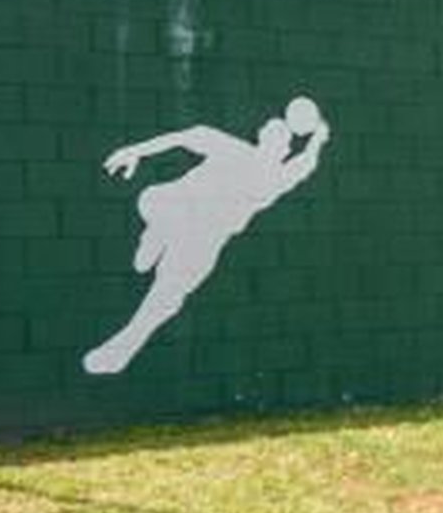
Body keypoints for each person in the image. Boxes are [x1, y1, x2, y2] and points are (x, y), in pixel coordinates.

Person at [84, 96, 330, 374]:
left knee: (165, 299)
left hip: (204, 240)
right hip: (173, 204)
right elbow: (185, 137)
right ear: (261, 136)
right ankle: (158, 234)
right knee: (154, 201)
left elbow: (306, 162)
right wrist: (135, 151)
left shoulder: (275, 179)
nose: (276, 142)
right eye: (272, 133)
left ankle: (118, 351)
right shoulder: (232, 149)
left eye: (281, 140)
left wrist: (318, 137)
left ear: (284, 151)